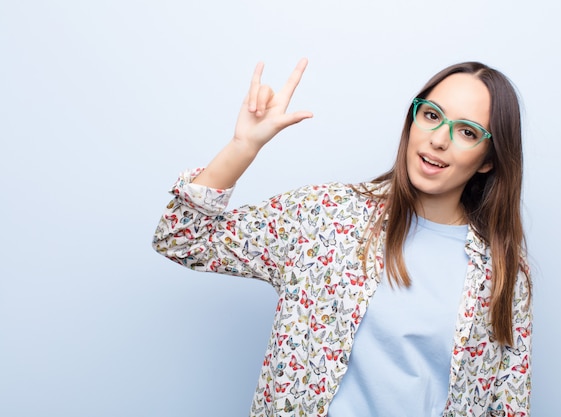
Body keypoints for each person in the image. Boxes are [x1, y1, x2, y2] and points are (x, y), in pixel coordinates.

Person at [152, 58, 532, 417]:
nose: (439, 140)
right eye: (431, 116)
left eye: (467, 132)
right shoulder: (325, 214)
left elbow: (508, 402)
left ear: (488, 159)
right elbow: (182, 239)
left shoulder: (499, 269)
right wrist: (243, 147)